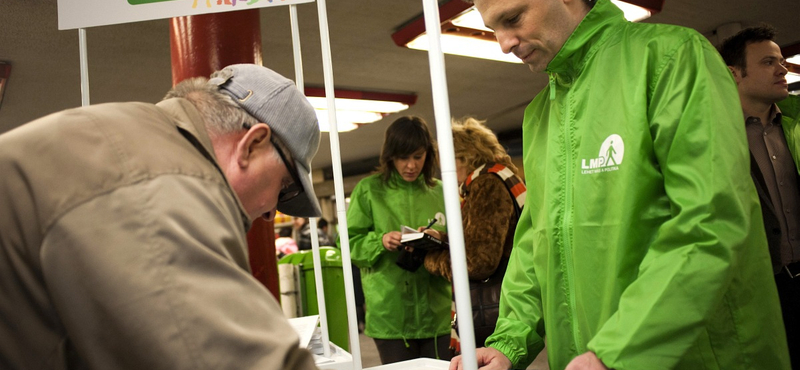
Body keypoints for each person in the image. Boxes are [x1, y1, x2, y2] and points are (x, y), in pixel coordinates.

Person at [450, 0, 790, 369]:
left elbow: (710, 220)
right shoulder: (540, 116)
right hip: (588, 357)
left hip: (691, 355)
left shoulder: (670, 58)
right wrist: (509, 342)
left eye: (513, 19)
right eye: (492, 29)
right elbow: (537, 242)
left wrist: (617, 350)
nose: (503, 43)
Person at [0, 64, 323, 370]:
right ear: (251, 145)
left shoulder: (132, 139)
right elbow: (219, 357)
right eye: (284, 188)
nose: (271, 212)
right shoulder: (156, 184)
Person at [720, 25, 800, 367]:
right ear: (734, 73)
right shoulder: (714, 137)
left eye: (781, 60)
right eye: (769, 62)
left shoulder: (795, 127)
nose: (782, 69)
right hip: (759, 289)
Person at [346, 116, 451, 364]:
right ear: (390, 156)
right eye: (403, 157)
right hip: (390, 314)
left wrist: (439, 238)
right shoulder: (368, 190)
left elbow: (464, 245)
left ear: (428, 154)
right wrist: (380, 241)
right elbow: (348, 243)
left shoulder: (442, 191)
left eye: (418, 156)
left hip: (438, 312)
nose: (411, 165)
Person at [423, 117, 526, 352]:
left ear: (464, 157)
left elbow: (478, 262)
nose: (445, 171)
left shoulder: (486, 184)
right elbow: (487, 237)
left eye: (448, 162)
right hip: (514, 294)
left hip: (496, 308)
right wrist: (441, 239)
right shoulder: (502, 176)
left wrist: (430, 258)